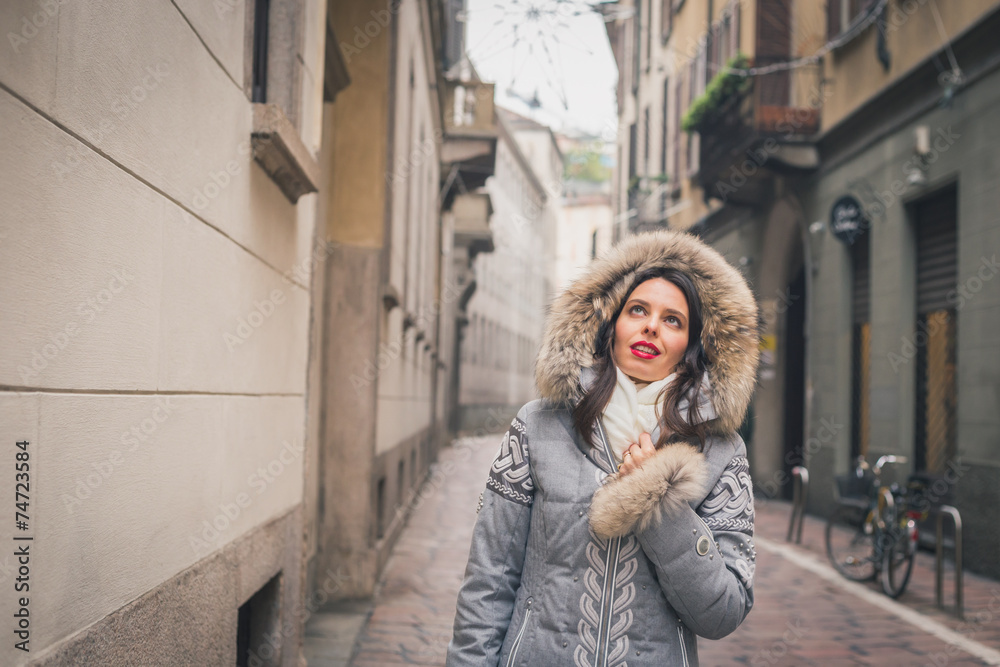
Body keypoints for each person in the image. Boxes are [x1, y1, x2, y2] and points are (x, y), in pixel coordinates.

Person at [446, 230, 759, 667]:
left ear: (692, 346)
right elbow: (488, 580)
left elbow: (723, 612)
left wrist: (657, 499)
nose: (651, 325)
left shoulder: (722, 452)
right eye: (638, 310)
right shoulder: (538, 426)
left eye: (673, 320)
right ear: (610, 326)